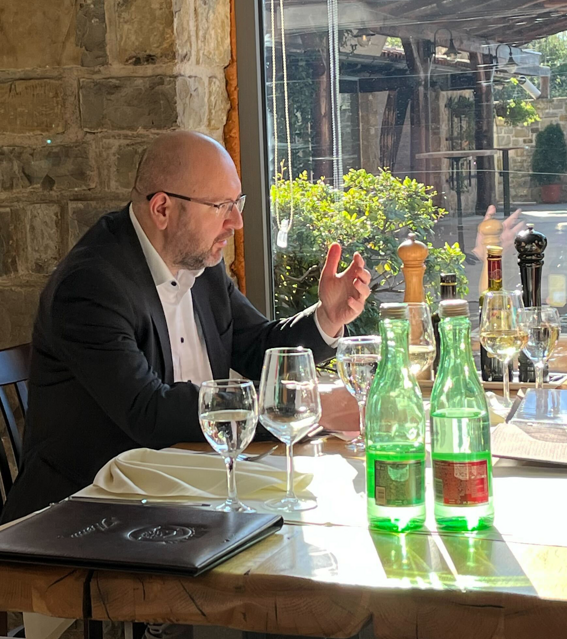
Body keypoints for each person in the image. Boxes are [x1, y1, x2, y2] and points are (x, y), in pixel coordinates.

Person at [1, 130, 371, 526]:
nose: (236, 222)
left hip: (182, 493)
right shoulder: (91, 285)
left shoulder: (201, 262)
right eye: (221, 206)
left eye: (237, 203)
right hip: (82, 516)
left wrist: (327, 317)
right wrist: (302, 406)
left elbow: (258, 347)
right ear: (162, 208)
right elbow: (148, 411)